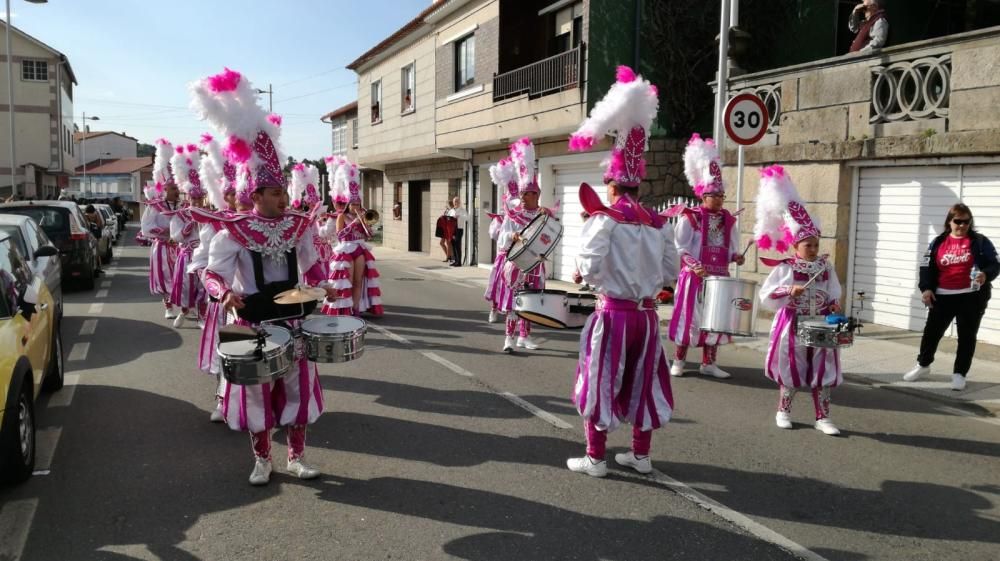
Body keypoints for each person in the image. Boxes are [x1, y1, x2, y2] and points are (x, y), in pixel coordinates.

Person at [193, 67, 334, 485]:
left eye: (284, 192)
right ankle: (261, 459)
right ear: (255, 194)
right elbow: (211, 273)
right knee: (255, 395)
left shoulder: (297, 226)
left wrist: (322, 284)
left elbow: (313, 264)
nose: (284, 198)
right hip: (249, 320)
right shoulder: (233, 230)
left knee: (297, 392)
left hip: (293, 319)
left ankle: (296, 456)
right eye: (275, 193)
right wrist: (223, 295)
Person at [565, 65, 678, 477]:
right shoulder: (659, 221)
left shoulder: (605, 217)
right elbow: (671, 270)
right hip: (647, 317)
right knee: (643, 380)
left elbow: (590, 265)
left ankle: (596, 458)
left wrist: (586, 276)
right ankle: (640, 455)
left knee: (600, 380)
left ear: (612, 184)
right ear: (638, 186)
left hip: (612, 314)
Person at [754, 165, 844, 436]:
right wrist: (787, 292)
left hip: (820, 324)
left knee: (823, 369)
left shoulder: (826, 267)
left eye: (816, 244)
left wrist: (834, 305)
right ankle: (784, 410)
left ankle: (823, 417)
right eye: (808, 246)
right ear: (796, 246)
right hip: (792, 325)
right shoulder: (785, 267)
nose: (814, 250)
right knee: (791, 369)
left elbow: (833, 291)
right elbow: (767, 294)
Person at [667, 134, 744, 379]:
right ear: (703, 196)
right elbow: (680, 247)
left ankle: (708, 363)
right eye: (715, 195)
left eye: (722, 195)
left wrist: (736, 257)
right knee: (690, 319)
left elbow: (730, 249)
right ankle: (679, 360)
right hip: (694, 278)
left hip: (719, 278)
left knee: (715, 320)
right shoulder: (691, 217)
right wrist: (695, 266)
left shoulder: (728, 220)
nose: (720, 199)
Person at [903, 203, 999, 391]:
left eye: (966, 222)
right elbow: (926, 267)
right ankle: (923, 365)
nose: (962, 225)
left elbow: (995, 264)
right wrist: (926, 289)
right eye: (958, 221)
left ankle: (959, 374)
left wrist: (986, 274)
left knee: (967, 337)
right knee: (931, 334)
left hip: (971, 297)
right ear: (950, 221)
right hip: (942, 297)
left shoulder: (980, 241)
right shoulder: (938, 242)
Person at [495, 138, 551, 353]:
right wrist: (514, 236)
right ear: (521, 195)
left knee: (531, 302)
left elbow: (548, 238)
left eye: (534, 193)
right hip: (517, 263)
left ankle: (524, 336)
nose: (530, 197)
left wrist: (544, 252)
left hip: (536, 265)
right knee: (513, 303)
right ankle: (508, 338)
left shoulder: (542, 215)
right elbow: (503, 237)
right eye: (527, 193)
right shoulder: (513, 214)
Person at [320, 157, 384, 317]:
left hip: (360, 249)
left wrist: (365, 224)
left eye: (358, 203)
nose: (356, 206)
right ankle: (344, 308)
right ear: (349, 204)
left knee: (358, 281)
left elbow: (369, 235)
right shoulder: (341, 216)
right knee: (346, 282)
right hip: (346, 249)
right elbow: (341, 235)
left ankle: (356, 308)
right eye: (353, 204)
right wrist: (355, 222)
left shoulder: (363, 216)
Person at [168, 144, 208, 329]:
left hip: (204, 255)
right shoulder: (180, 214)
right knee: (186, 287)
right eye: (194, 199)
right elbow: (175, 237)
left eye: (200, 199)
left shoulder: (209, 214)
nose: (197, 202)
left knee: (204, 287)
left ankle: (202, 316)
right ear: (188, 198)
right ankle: (184, 312)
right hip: (186, 256)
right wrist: (190, 224)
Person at [140, 139, 181, 319]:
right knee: (165, 278)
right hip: (162, 248)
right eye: (173, 188)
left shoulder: (182, 205)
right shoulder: (154, 207)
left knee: (182, 277)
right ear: (164, 189)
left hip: (179, 247)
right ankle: (169, 307)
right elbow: (146, 227)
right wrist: (164, 233)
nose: (176, 191)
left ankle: (187, 305)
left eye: (177, 188)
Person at [484, 159, 517, 324]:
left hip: (519, 256)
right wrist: (501, 224)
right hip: (504, 255)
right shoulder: (503, 218)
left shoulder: (522, 210)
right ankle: (494, 309)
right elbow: (495, 235)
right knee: (498, 283)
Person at [447, 196, 468, 267]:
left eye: (457, 201)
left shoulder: (462, 210)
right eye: (455, 201)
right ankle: (455, 260)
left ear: (459, 202)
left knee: (457, 245)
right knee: (453, 244)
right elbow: (447, 219)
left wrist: (460, 216)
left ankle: (459, 262)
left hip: (459, 229)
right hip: (452, 230)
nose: (456, 203)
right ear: (453, 203)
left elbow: (467, 218)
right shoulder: (451, 211)